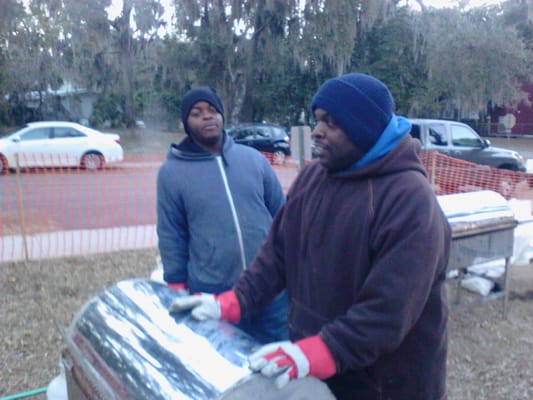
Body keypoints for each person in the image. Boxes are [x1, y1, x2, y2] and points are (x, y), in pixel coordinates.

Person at [171, 73, 451, 400]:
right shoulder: (314, 177)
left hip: (387, 382)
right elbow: (277, 254)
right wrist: (233, 302)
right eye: (317, 119)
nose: (317, 131)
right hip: (321, 369)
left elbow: (388, 309)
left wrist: (319, 351)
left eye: (331, 123)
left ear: (365, 129)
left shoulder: (408, 199)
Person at [157, 86, 288, 343]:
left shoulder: (253, 159)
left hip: (268, 287)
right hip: (212, 293)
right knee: (229, 372)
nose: (208, 117)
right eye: (197, 113)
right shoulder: (171, 173)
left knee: (276, 362)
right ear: (186, 122)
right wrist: (175, 285)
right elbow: (171, 233)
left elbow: (283, 216)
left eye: (213, 110)